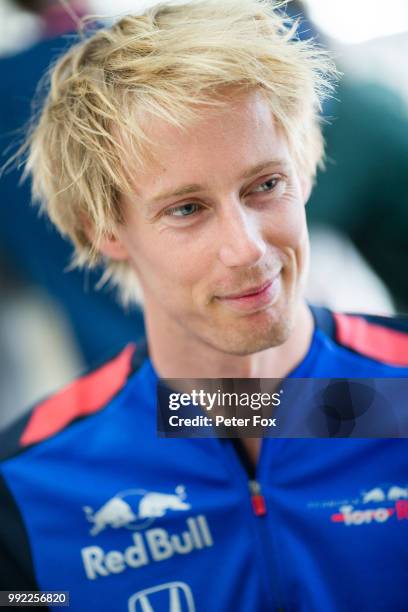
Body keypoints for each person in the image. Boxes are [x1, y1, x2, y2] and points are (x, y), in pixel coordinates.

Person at [0, 1, 407, 610]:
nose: (246, 249)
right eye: (186, 209)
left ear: (304, 173)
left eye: (265, 185)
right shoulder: (30, 486)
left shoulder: (395, 394)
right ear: (101, 231)